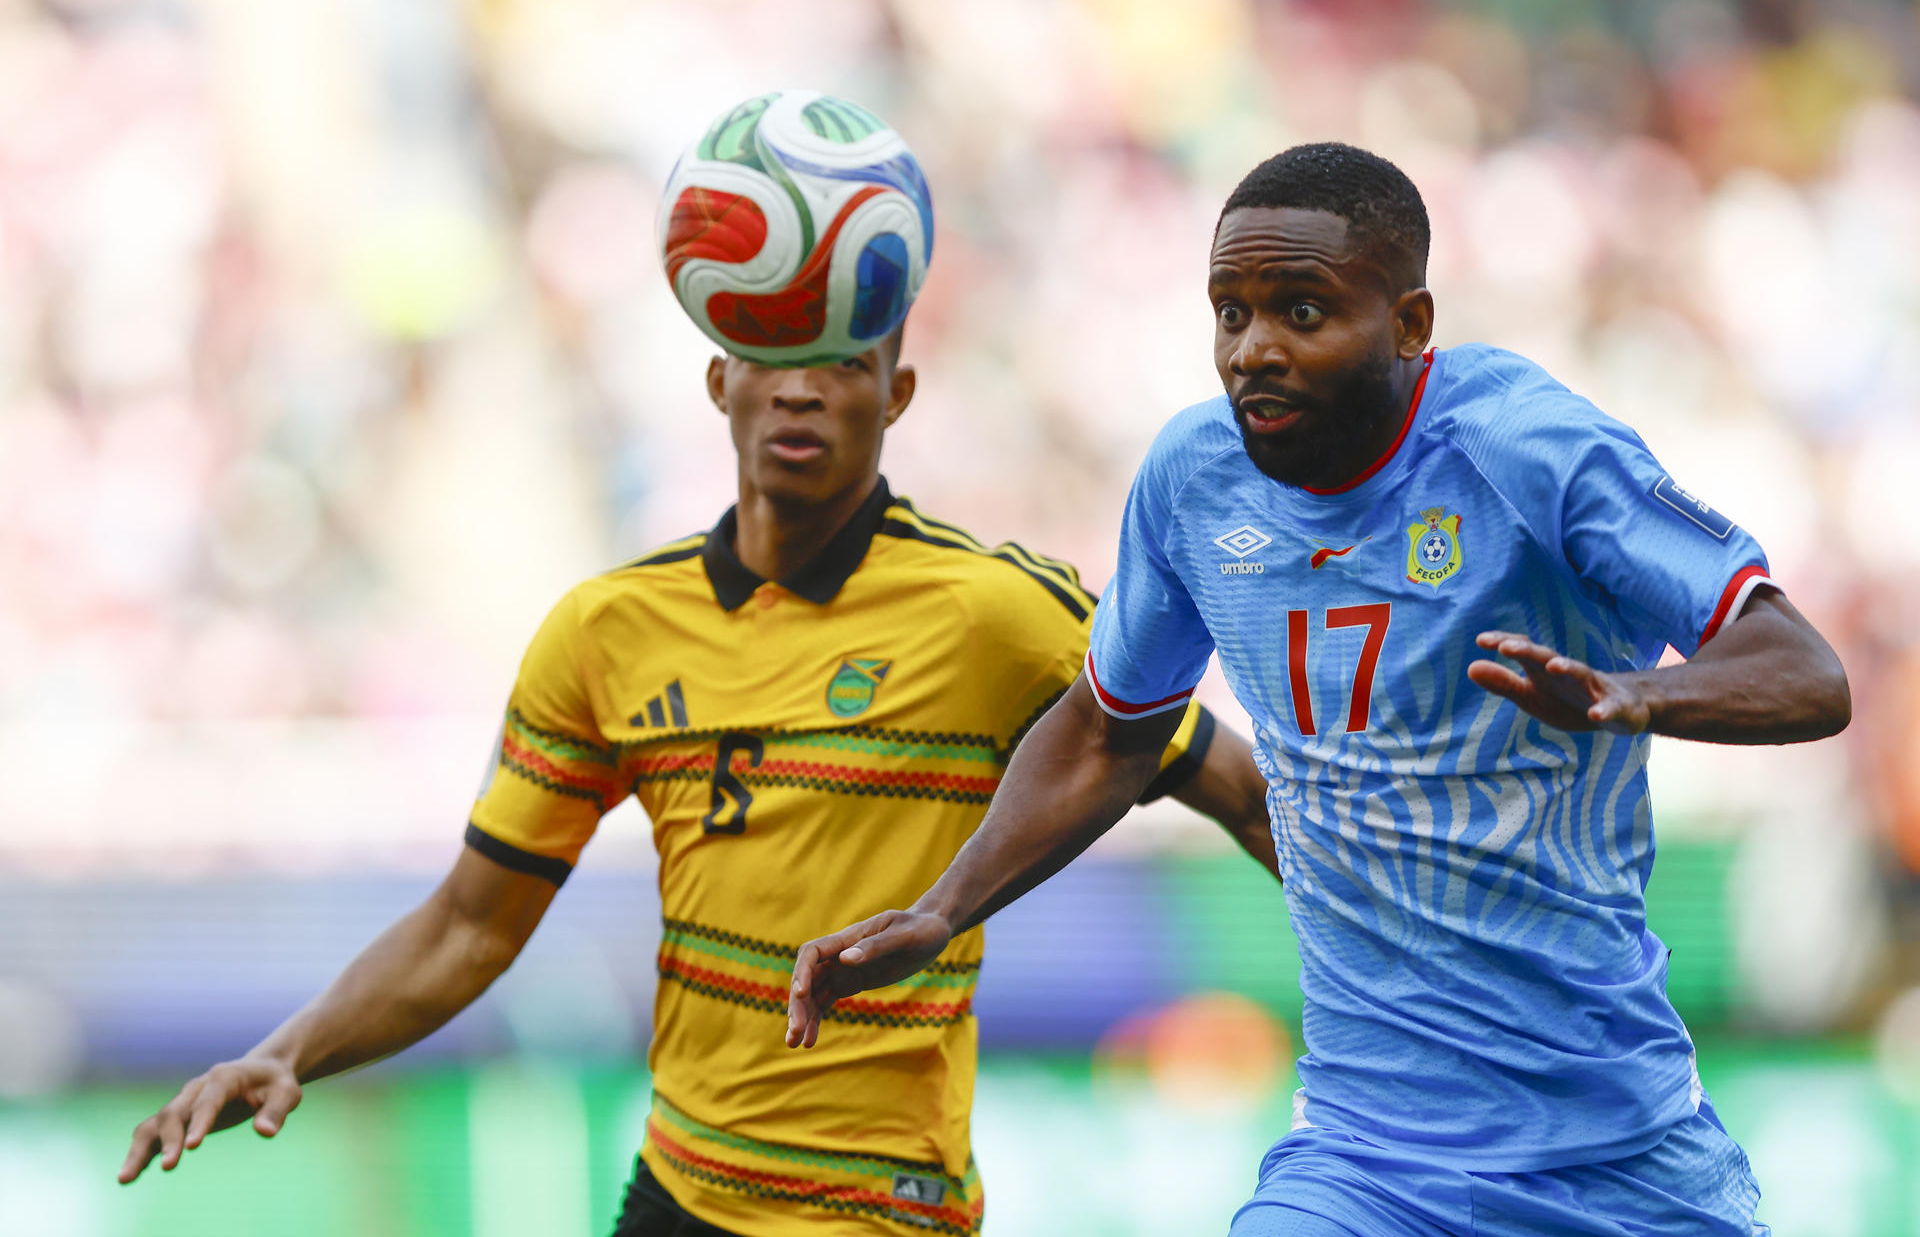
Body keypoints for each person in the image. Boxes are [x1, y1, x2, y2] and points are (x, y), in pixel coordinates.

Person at [785, 143, 1852, 1237]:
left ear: (1410, 323)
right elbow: (1110, 730)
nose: (1254, 351)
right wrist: (942, 907)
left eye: (1302, 309)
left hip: (1613, 1155)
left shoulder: (1525, 449)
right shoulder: (1194, 479)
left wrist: (1636, 697)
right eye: (1230, 313)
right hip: (1362, 1159)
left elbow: (1807, 671)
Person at [116, 322, 1278, 1237]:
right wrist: (293, 1045)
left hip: (876, 1209)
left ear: (901, 390)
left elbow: (1238, 788)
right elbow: (472, 922)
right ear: (719, 377)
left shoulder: (997, 615)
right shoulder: (607, 631)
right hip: (680, 1190)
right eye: (774, 356)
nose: (805, 388)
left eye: (845, 360)